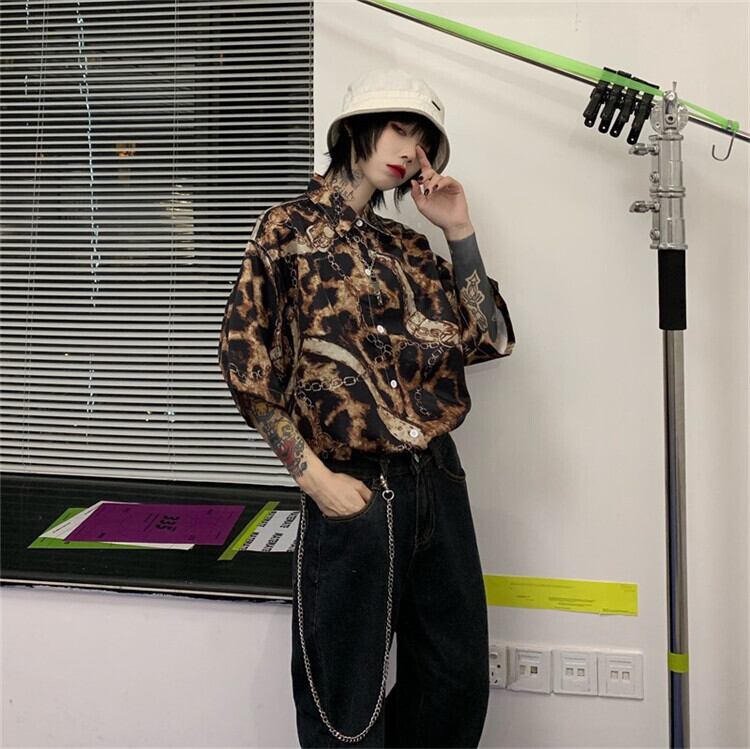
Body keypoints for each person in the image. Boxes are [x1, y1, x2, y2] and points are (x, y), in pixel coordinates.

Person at [218, 67, 516, 748]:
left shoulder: (407, 246)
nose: (410, 149)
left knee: (455, 682)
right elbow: (245, 366)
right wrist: (315, 479)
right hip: (353, 482)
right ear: (356, 129)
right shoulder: (287, 229)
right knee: (344, 705)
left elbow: (489, 337)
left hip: (437, 479)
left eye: (422, 139)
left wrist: (460, 229)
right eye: (398, 128)